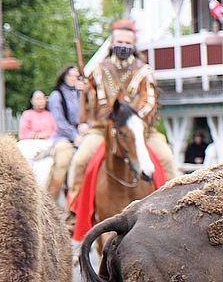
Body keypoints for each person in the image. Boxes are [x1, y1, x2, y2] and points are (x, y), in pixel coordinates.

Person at [67, 20, 177, 207]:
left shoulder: (144, 71)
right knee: (79, 161)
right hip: (102, 130)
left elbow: (148, 101)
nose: (123, 46)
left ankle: (173, 205)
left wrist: (131, 120)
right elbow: (91, 98)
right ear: (112, 43)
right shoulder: (99, 70)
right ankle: (74, 210)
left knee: (167, 160)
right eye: (120, 42)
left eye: (128, 43)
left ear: (133, 46)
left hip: (139, 131)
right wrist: (85, 90)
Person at [46, 64, 88, 203]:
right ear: (64, 76)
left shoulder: (83, 94)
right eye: (70, 75)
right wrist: (75, 135)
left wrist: (87, 126)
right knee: (63, 162)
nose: (73, 78)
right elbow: (60, 122)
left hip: (85, 135)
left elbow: (92, 114)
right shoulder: (56, 95)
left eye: (76, 76)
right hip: (64, 136)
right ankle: (50, 201)